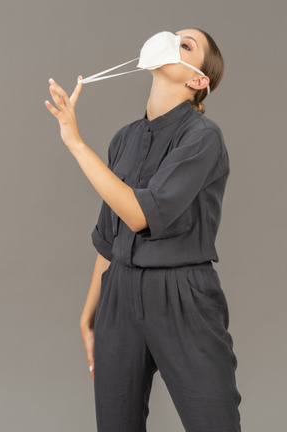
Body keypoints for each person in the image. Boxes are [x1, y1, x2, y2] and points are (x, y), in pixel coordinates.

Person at [45, 27, 242, 432]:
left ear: (197, 80)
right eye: (174, 34)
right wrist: (89, 313)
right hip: (117, 296)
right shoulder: (125, 139)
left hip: (182, 297)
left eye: (185, 45)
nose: (170, 40)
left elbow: (138, 215)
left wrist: (76, 142)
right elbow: (110, 235)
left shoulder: (203, 138)